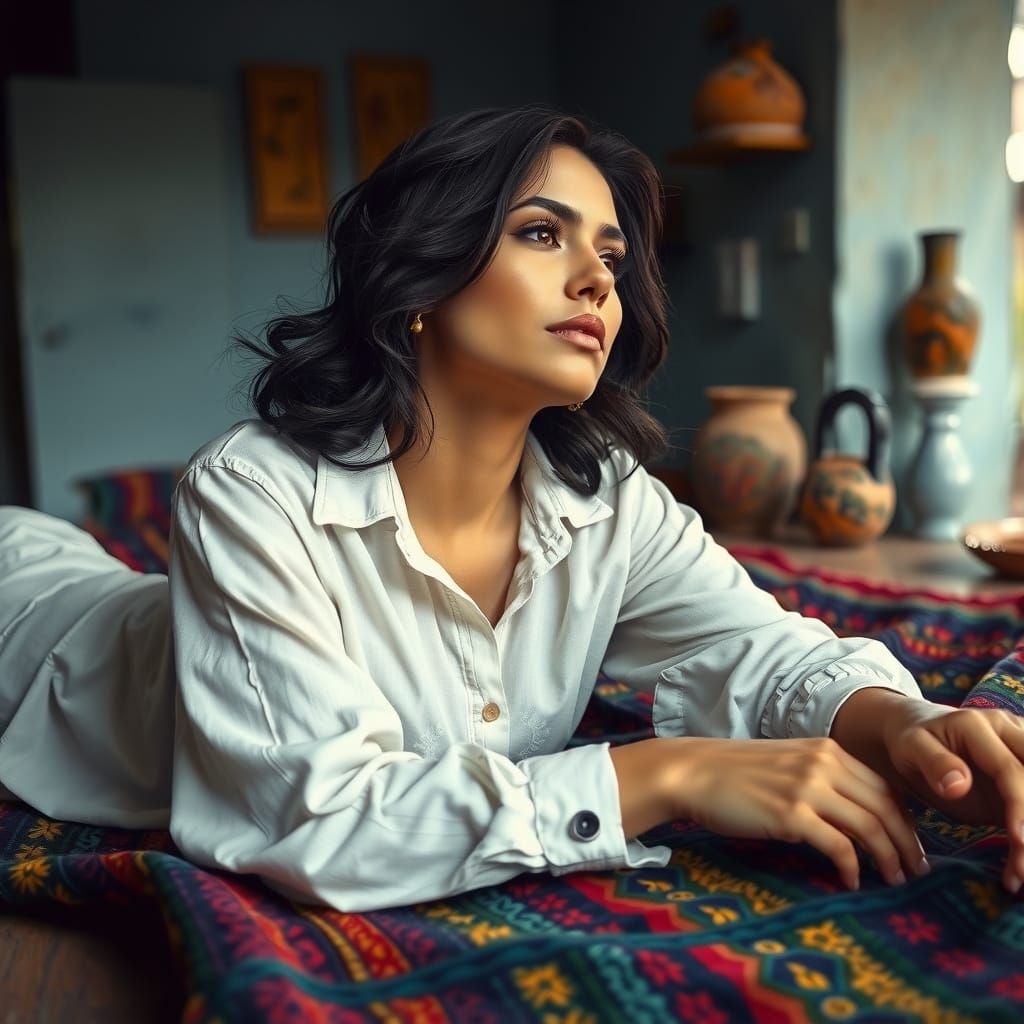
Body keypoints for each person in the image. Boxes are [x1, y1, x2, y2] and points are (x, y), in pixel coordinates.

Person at [1, 104, 1023, 914]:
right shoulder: (251, 490)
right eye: (543, 233)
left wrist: (903, 726)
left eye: (614, 257)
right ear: (423, 278)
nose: (596, 279)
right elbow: (316, 820)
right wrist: (659, 776)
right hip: (32, 625)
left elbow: (760, 648)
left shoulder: (608, 497)